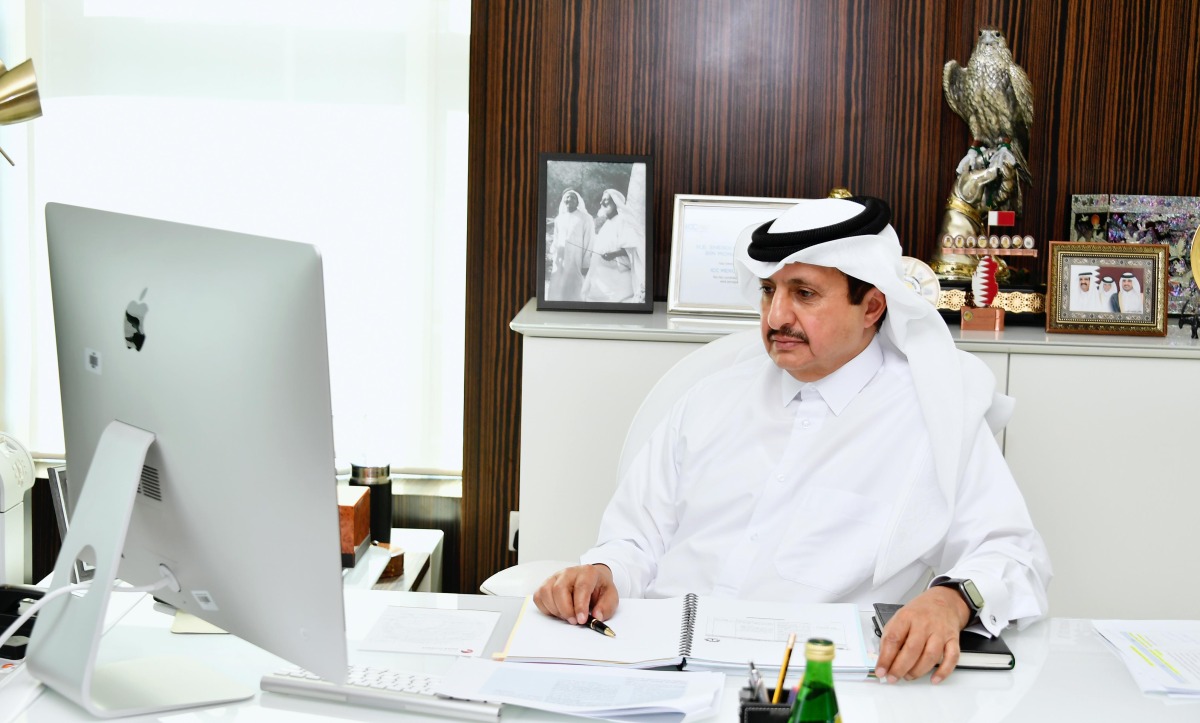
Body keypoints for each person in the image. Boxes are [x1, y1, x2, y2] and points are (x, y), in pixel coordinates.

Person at [534, 196, 1051, 685]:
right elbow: (635, 539)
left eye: (804, 294)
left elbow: (1013, 555)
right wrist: (602, 571)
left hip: (815, 686)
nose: (776, 317)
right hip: (651, 661)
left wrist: (950, 601)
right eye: (769, 291)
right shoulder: (710, 397)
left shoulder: (930, 416)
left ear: (872, 307)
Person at [581, 189, 645, 303]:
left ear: (616, 203)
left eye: (606, 200)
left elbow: (633, 249)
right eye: (601, 200)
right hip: (601, 277)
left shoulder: (624, 220)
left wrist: (614, 254)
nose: (601, 203)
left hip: (618, 277)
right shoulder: (607, 223)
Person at [546, 189, 594, 301]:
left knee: (575, 287)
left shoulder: (586, 218)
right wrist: (553, 256)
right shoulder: (559, 219)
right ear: (563, 200)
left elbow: (589, 241)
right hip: (560, 259)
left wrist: (586, 263)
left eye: (573, 197)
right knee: (558, 284)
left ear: (578, 201)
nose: (569, 199)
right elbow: (556, 239)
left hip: (576, 259)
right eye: (567, 197)